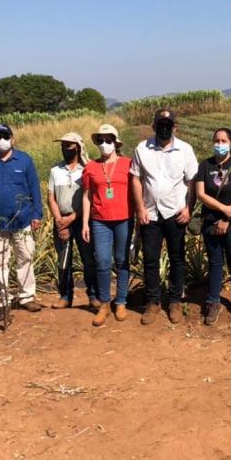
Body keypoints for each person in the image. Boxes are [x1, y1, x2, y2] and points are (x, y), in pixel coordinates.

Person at [130, 108, 199, 325]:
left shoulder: (185, 150)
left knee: (177, 258)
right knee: (150, 259)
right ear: (153, 126)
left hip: (175, 213)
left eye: (168, 125)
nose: (164, 128)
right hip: (150, 214)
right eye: (160, 125)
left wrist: (189, 209)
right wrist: (140, 209)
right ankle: (153, 302)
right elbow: (136, 180)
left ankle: (175, 301)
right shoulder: (142, 148)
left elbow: (192, 182)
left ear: (175, 127)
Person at [0, 123, 44, 315]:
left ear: (12, 139)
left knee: (26, 257)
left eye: (5, 136)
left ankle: (26, 297)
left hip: (22, 220)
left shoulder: (24, 160)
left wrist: (37, 214)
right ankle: (3, 300)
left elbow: (34, 188)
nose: (2, 141)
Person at [195, 128, 231, 326]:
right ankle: (213, 301)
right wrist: (223, 209)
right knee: (215, 262)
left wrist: (228, 216)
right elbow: (201, 194)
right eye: (217, 140)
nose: (220, 144)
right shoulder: (205, 165)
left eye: (224, 140)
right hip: (211, 220)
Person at [81, 124, 134, 326]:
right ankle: (104, 303)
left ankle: (120, 301)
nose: (104, 144)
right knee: (103, 261)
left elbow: (136, 193)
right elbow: (86, 196)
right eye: (101, 141)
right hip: (99, 220)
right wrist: (85, 222)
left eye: (108, 140)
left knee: (121, 260)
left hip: (124, 218)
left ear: (115, 143)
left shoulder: (128, 164)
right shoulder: (91, 167)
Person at [48, 132, 99, 310]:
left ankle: (93, 294)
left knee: (88, 259)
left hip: (81, 219)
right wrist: (59, 220)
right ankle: (65, 296)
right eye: (63, 146)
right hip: (61, 219)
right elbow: (51, 197)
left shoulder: (87, 169)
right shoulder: (55, 170)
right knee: (63, 261)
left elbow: (90, 197)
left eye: (68, 146)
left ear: (77, 148)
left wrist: (71, 218)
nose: (65, 149)